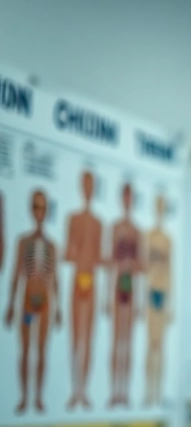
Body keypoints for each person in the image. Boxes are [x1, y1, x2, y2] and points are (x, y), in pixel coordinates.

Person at [6, 188, 61, 414]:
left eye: (44, 207)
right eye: (37, 206)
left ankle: (38, 397)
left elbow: (55, 277)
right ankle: (23, 397)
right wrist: (10, 304)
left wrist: (60, 308)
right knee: (25, 349)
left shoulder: (52, 245)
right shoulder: (23, 241)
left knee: (42, 350)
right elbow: (16, 272)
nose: (40, 211)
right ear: (31, 210)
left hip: (45, 302)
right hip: (28, 301)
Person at [65, 170, 103, 411]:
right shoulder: (73, 219)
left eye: (92, 185)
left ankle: (84, 390)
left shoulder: (99, 223)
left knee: (88, 338)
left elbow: (99, 256)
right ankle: (73, 389)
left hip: (92, 281)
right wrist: (76, 254)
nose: (88, 189)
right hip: (78, 279)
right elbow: (68, 252)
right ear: (81, 187)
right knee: (75, 337)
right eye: (85, 184)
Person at [107, 182, 142, 409]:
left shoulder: (137, 231)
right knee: (115, 343)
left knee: (127, 344)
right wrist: (105, 297)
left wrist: (138, 301)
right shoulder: (115, 228)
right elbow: (110, 263)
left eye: (131, 197)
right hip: (117, 287)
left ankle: (125, 392)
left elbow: (140, 266)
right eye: (125, 197)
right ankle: (113, 392)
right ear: (122, 199)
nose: (128, 201)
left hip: (130, 290)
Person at [143, 194, 172, 407]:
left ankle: (158, 393)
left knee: (160, 347)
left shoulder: (169, 241)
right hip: (150, 292)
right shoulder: (148, 237)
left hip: (163, 293)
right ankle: (147, 392)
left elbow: (171, 272)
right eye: (158, 206)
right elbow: (144, 268)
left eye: (163, 207)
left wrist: (171, 304)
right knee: (149, 345)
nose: (160, 210)